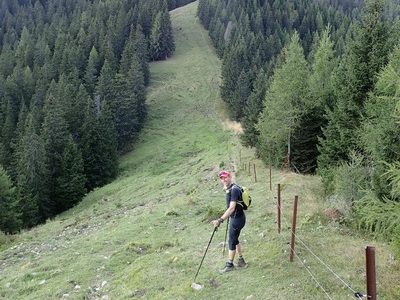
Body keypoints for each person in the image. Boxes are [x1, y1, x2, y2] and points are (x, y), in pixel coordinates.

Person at [212, 171, 248, 273]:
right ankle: (241, 261)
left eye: (225, 177)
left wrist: (220, 220)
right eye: (221, 178)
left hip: (237, 220)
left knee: (231, 241)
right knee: (234, 239)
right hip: (237, 218)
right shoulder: (231, 188)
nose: (223, 180)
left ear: (230, 177)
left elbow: (232, 208)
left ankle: (230, 265)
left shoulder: (234, 190)